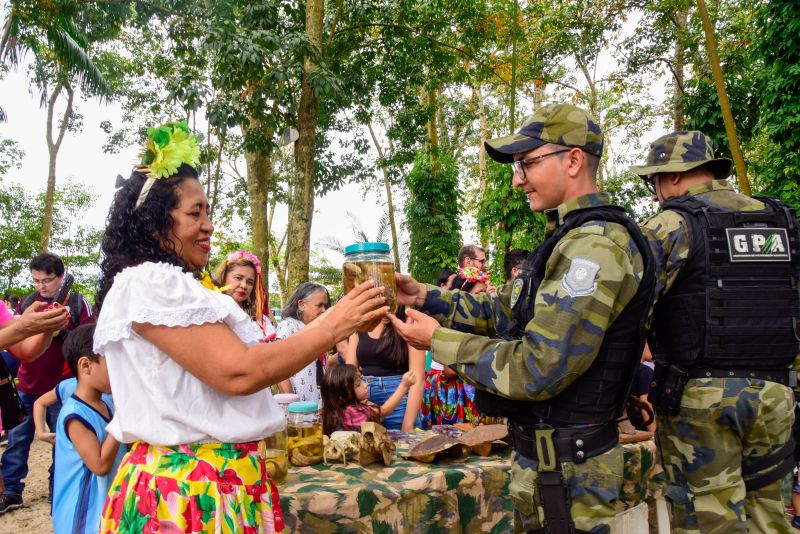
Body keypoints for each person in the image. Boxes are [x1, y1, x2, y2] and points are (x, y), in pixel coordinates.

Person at [93, 120, 386, 531]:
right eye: (195, 213)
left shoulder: (171, 289)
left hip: (219, 484)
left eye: (208, 212)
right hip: (190, 494)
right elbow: (239, 371)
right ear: (158, 224)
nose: (208, 224)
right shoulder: (149, 283)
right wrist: (333, 326)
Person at [389, 103, 655, 533]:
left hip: (571, 471)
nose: (517, 179)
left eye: (528, 163)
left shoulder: (595, 246)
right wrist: (425, 295)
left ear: (572, 160)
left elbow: (538, 367)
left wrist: (439, 341)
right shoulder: (567, 239)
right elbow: (502, 309)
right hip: (551, 462)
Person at [632, 130, 800, 533]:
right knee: (771, 516)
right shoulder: (783, 221)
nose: (655, 193)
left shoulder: (670, 225)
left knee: (708, 518)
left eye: (654, 181)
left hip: (701, 398)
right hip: (777, 394)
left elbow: (633, 310)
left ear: (673, 176)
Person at [0, 252, 93, 514]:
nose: (42, 286)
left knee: (61, 439)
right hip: (28, 384)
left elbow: (88, 340)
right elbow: (16, 343)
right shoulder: (28, 304)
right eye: (36, 281)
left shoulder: (77, 303)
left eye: (48, 280)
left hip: (61, 387)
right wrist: (36, 326)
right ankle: (11, 491)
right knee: (17, 441)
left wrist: (60, 330)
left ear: (61, 278)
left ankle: (58, 488)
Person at [52, 324, 124, 534]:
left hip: (104, 507)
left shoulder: (107, 404)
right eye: (113, 364)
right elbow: (99, 464)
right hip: (82, 515)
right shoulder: (74, 415)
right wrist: (122, 416)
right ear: (85, 365)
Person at [420, 271, 488, 429]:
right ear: (464, 297)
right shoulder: (456, 325)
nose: (484, 299)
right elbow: (450, 370)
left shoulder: (480, 324)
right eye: (479, 293)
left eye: (486, 293)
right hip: (450, 390)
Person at [344, 306, 426, 431]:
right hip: (364, 399)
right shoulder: (361, 324)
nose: (385, 312)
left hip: (400, 401)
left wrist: (408, 424)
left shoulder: (408, 324)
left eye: (390, 306)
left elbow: (417, 379)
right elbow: (350, 370)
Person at [275, 282, 333, 405]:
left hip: (318, 403)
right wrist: (291, 403)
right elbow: (278, 368)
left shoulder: (320, 330)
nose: (324, 310)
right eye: (319, 305)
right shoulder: (288, 326)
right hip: (297, 408)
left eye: (326, 306)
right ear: (301, 305)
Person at [320, 364, 416, 434]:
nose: (366, 385)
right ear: (342, 396)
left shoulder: (332, 412)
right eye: (358, 385)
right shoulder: (353, 412)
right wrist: (404, 386)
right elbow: (384, 411)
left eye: (362, 379)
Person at [213, 249, 277, 339]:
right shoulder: (209, 311)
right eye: (238, 278)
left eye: (250, 282)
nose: (244, 285)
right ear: (224, 277)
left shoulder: (260, 321)